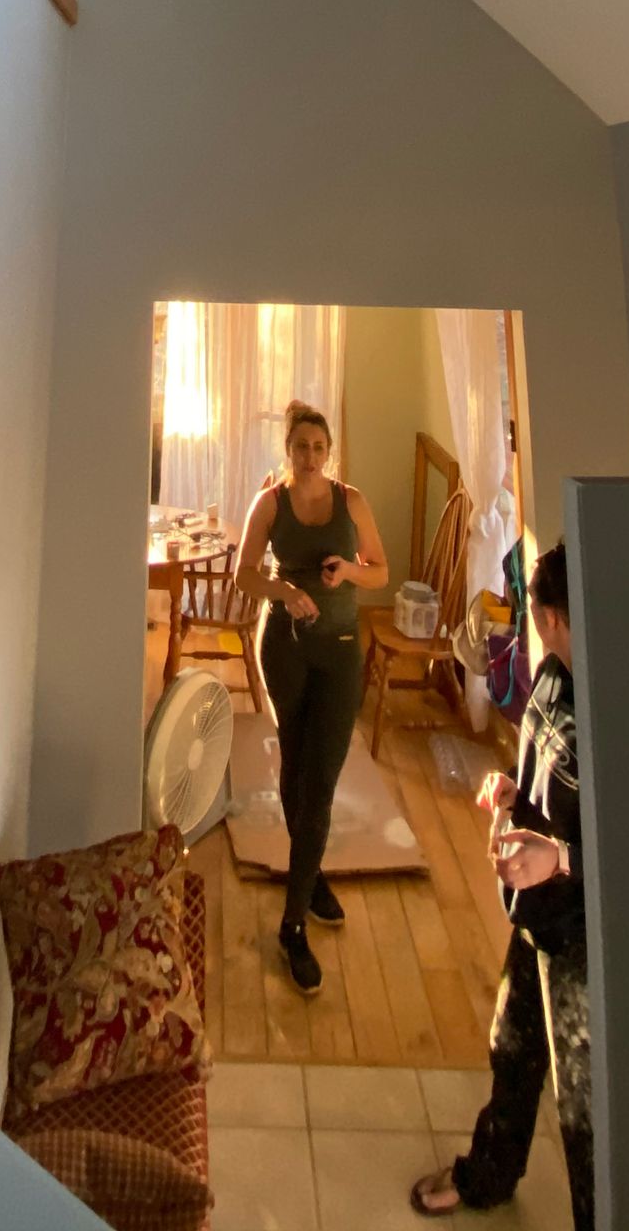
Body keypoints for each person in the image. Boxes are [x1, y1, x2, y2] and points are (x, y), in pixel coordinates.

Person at [410, 541, 592, 1223]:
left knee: (586, 1117)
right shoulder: (552, 679)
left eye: (544, 617)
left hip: (585, 940)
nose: (544, 628)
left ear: (548, 615)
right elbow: (545, 772)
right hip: (536, 916)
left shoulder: (623, 705)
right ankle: (487, 1175)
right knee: (512, 1050)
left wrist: (562, 859)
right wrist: (511, 793)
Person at [232, 400, 389, 996]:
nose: (310, 455)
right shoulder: (269, 503)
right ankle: (311, 871)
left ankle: (292, 924)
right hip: (286, 648)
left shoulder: (352, 501)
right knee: (296, 768)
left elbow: (381, 571)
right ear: (289, 450)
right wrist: (284, 589)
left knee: (320, 777)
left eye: (319, 447)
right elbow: (244, 574)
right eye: (300, 446)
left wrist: (347, 572)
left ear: (329, 452)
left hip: (342, 650)